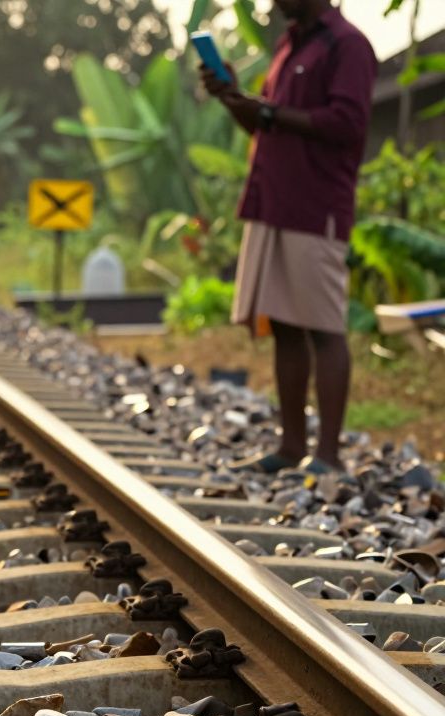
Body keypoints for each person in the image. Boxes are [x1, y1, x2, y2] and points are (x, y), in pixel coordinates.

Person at [200, 0, 376, 475]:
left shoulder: (348, 45)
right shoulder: (289, 44)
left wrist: (271, 114)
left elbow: (348, 124)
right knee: (282, 323)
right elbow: (261, 124)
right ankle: (292, 446)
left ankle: (328, 456)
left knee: (323, 327)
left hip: (315, 208)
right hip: (271, 203)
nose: (273, 2)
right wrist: (233, 98)